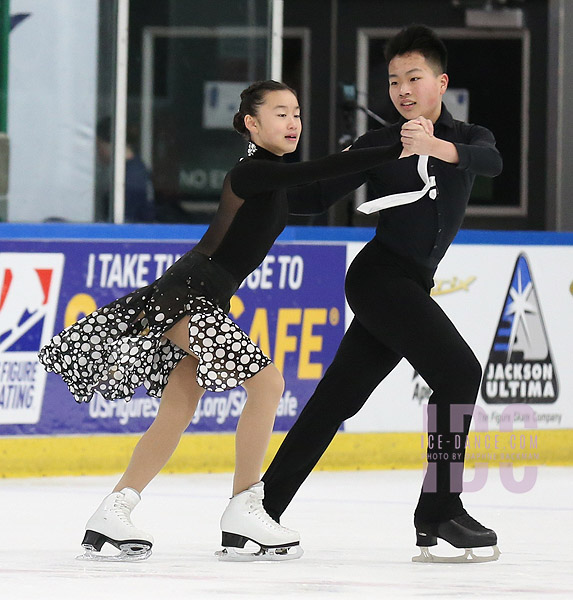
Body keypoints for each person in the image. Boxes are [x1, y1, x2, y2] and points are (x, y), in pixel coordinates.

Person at [38, 80, 407, 562]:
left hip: (200, 297)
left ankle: (114, 511)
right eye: (280, 113)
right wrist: (390, 144)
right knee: (268, 382)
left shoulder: (272, 181)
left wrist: (371, 149)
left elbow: (316, 194)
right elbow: (321, 169)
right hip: (188, 296)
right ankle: (244, 505)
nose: (292, 122)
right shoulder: (253, 172)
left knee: (178, 407)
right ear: (252, 124)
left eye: (296, 113)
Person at [261, 25, 503, 563]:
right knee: (460, 373)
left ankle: (259, 509)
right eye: (393, 81)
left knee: (335, 401)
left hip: (409, 283)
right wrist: (262, 172)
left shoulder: (470, 137)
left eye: (413, 78)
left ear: (440, 82)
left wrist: (434, 146)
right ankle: (439, 510)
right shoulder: (380, 143)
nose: (402, 90)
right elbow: (312, 196)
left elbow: (490, 164)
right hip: (379, 279)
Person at [95, 116, 156, 223]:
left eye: (98, 146)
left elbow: (125, 222)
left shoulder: (130, 177)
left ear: (111, 144)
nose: (97, 152)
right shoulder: (136, 169)